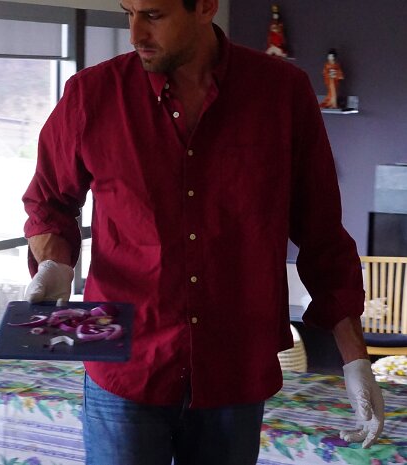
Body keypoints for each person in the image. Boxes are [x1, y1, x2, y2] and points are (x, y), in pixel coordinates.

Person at [21, 0, 384, 464]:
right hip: (124, 363)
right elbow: (48, 201)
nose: (135, 34)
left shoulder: (281, 93)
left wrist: (354, 358)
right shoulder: (92, 94)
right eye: (128, 13)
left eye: (153, 15)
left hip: (234, 365)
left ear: (206, 7)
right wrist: (55, 262)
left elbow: (321, 229)